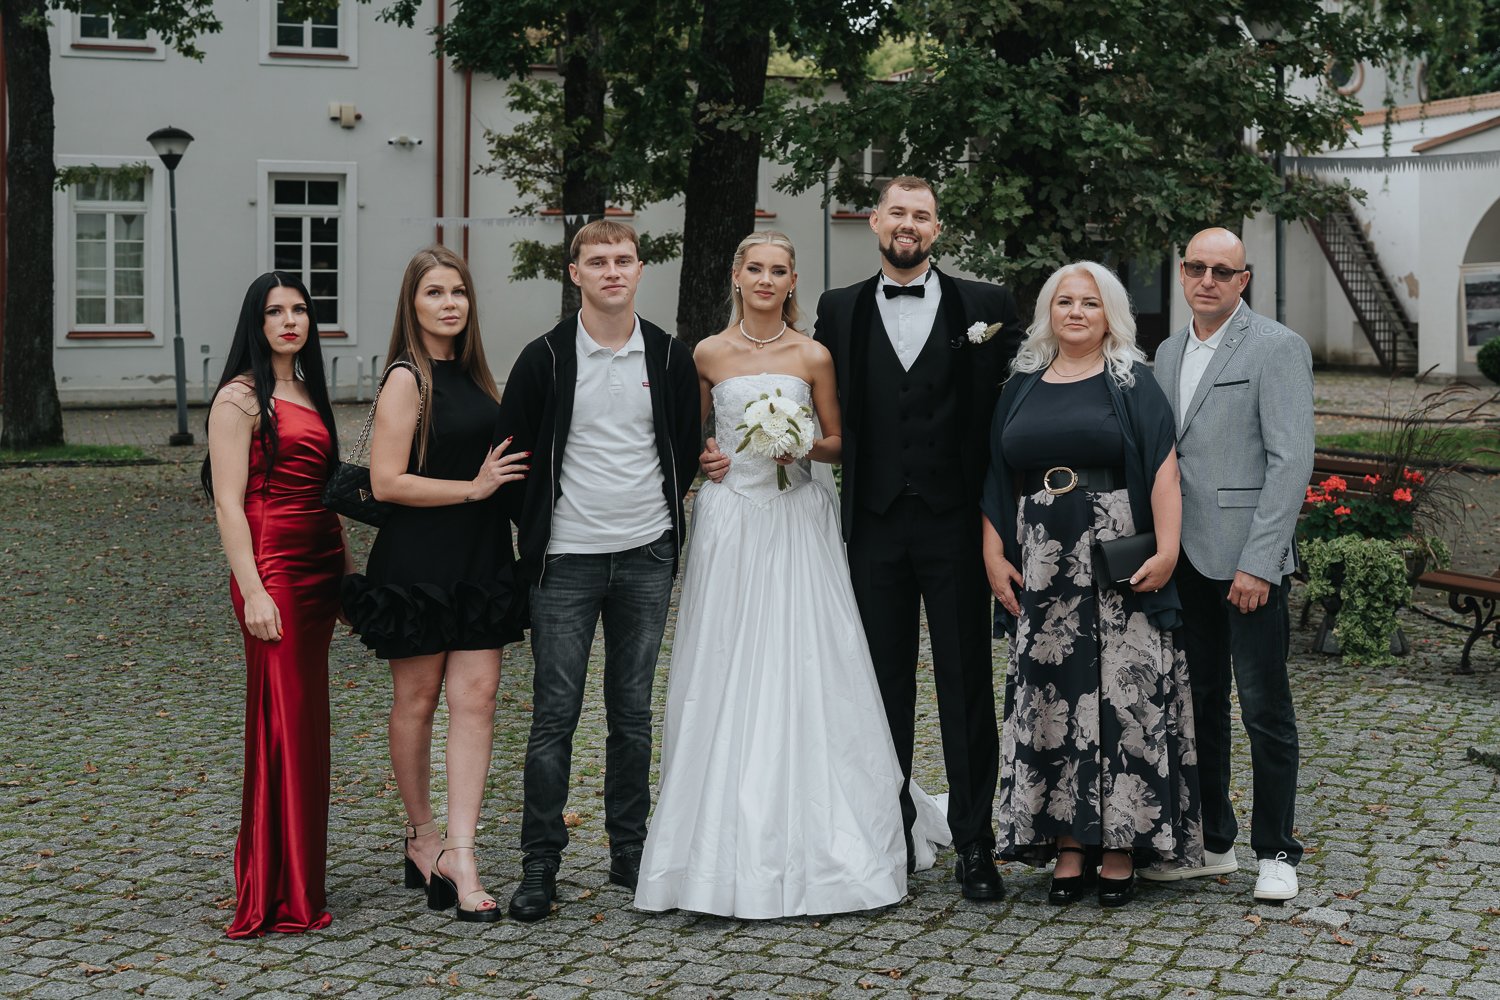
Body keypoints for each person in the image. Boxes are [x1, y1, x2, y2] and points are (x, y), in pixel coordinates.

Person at [707, 176, 1024, 898]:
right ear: (876, 221)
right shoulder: (839, 308)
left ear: (937, 228)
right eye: (897, 212)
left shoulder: (986, 305)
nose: (908, 225)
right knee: (878, 687)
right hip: (873, 525)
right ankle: (888, 836)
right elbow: (804, 400)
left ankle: (977, 845)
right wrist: (732, 445)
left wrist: (999, 523)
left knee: (965, 685)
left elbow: (1011, 414)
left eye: (922, 215)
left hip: (955, 523)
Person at [634, 231, 907, 918]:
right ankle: (710, 845)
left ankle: (826, 836)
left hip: (796, 520)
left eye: (778, 270)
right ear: (736, 276)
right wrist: (706, 457)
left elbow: (840, 443)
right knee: (725, 659)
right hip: (731, 518)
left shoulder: (812, 355)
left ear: (791, 282)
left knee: (806, 658)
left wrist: (803, 444)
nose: (765, 279)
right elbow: (687, 439)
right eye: (754, 268)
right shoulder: (705, 353)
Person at [980, 261, 1202, 907]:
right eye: (1065, 301)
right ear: (1048, 311)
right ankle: (1068, 842)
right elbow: (995, 475)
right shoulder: (1020, 384)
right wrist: (993, 553)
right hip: (1041, 558)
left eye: (1090, 303)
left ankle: (1119, 844)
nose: (1076, 312)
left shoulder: (1132, 381)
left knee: (1122, 694)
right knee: (1053, 696)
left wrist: (1168, 550)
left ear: (1111, 316)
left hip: (1114, 555)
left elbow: (1162, 470)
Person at [498, 220, 700, 922]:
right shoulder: (545, 359)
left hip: (647, 555)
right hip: (566, 560)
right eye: (598, 260)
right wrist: (535, 531)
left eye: (624, 259)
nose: (613, 270)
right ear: (575, 272)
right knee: (554, 715)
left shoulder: (668, 356)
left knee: (632, 714)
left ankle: (629, 852)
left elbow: (682, 447)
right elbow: (513, 457)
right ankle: (540, 863)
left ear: (640, 270)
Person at [342, 245, 527, 922]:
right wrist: (473, 487)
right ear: (412, 304)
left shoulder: (476, 377)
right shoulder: (406, 377)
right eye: (434, 293)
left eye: (458, 292)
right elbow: (387, 481)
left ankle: (462, 851)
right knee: (417, 701)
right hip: (420, 561)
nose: (450, 304)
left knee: (477, 700)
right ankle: (421, 836)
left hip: (481, 558)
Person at [1140, 228, 1314, 902]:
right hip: (1182, 556)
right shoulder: (1167, 350)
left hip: (1248, 561)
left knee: (1265, 708)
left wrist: (1260, 562)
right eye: (1196, 268)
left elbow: (1290, 461)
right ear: (1182, 274)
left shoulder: (1276, 346)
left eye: (1222, 270)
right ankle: (1215, 841)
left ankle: (1277, 850)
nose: (1207, 280)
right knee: (1199, 704)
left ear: (1244, 280)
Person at [204, 272, 349, 938]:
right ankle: (276, 887)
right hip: (274, 568)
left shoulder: (307, 391)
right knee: (282, 720)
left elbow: (326, 493)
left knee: (307, 720)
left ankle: (301, 876)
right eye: (275, 311)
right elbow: (227, 503)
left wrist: (345, 576)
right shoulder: (240, 397)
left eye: (300, 310)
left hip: (317, 569)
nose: (290, 320)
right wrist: (254, 590)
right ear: (255, 322)